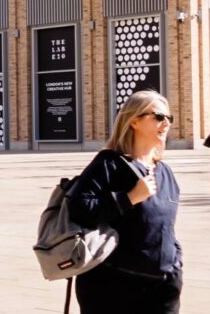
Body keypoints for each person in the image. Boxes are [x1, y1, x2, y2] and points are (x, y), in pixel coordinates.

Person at [65, 89, 181, 311]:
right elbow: (78, 208)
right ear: (134, 121)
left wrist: (176, 263)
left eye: (169, 118)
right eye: (158, 117)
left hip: (163, 286)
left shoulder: (164, 171)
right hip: (113, 286)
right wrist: (128, 198)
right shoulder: (109, 164)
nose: (166, 124)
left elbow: (167, 227)